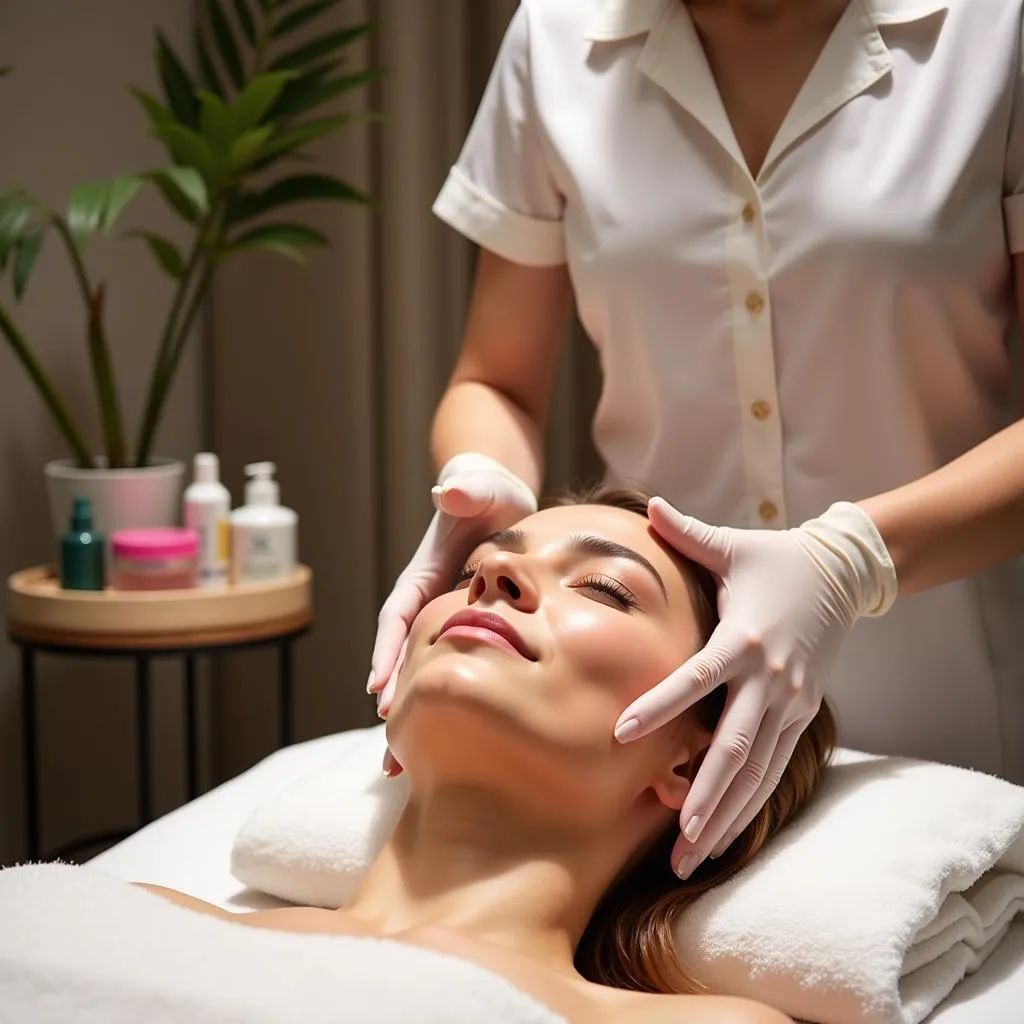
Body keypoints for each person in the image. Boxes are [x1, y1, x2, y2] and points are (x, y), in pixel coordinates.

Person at [368, 0, 1024, 878]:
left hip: (947, 705)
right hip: (658, 753)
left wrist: (851, 560)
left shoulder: (994, 32)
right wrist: (487, 480)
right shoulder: (559, 37)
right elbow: (495, 379)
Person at [142, 488, 834, 1023]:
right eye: (473, 567)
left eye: (604, 588)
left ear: (691, 764)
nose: (495, 571)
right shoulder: (138, 923)